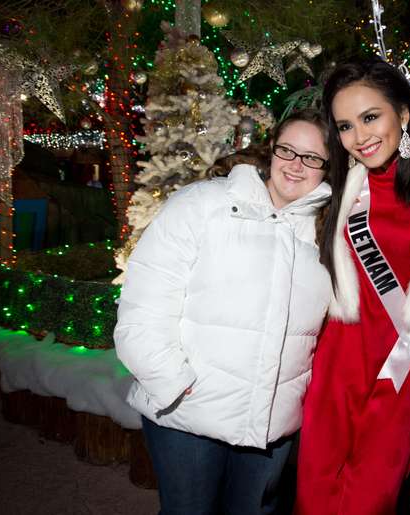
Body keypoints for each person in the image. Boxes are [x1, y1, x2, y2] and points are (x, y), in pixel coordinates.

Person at [114, 109, 333, 515]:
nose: (296, 165)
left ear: (327, 167)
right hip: (188, 413)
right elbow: (144, 301)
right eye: (287, 150)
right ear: (271, 151)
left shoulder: (326, 235)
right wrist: (172, 381)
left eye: (312, 157)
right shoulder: (203, 204)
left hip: (271, 422)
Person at [295, 58, 410, 515]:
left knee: (370, 495)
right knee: (317, 489)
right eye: (345, 125)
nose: (359, 137)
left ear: (403, 113)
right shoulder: (342, 185)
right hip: (340, 356)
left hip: (406, 359)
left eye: (370, 117)